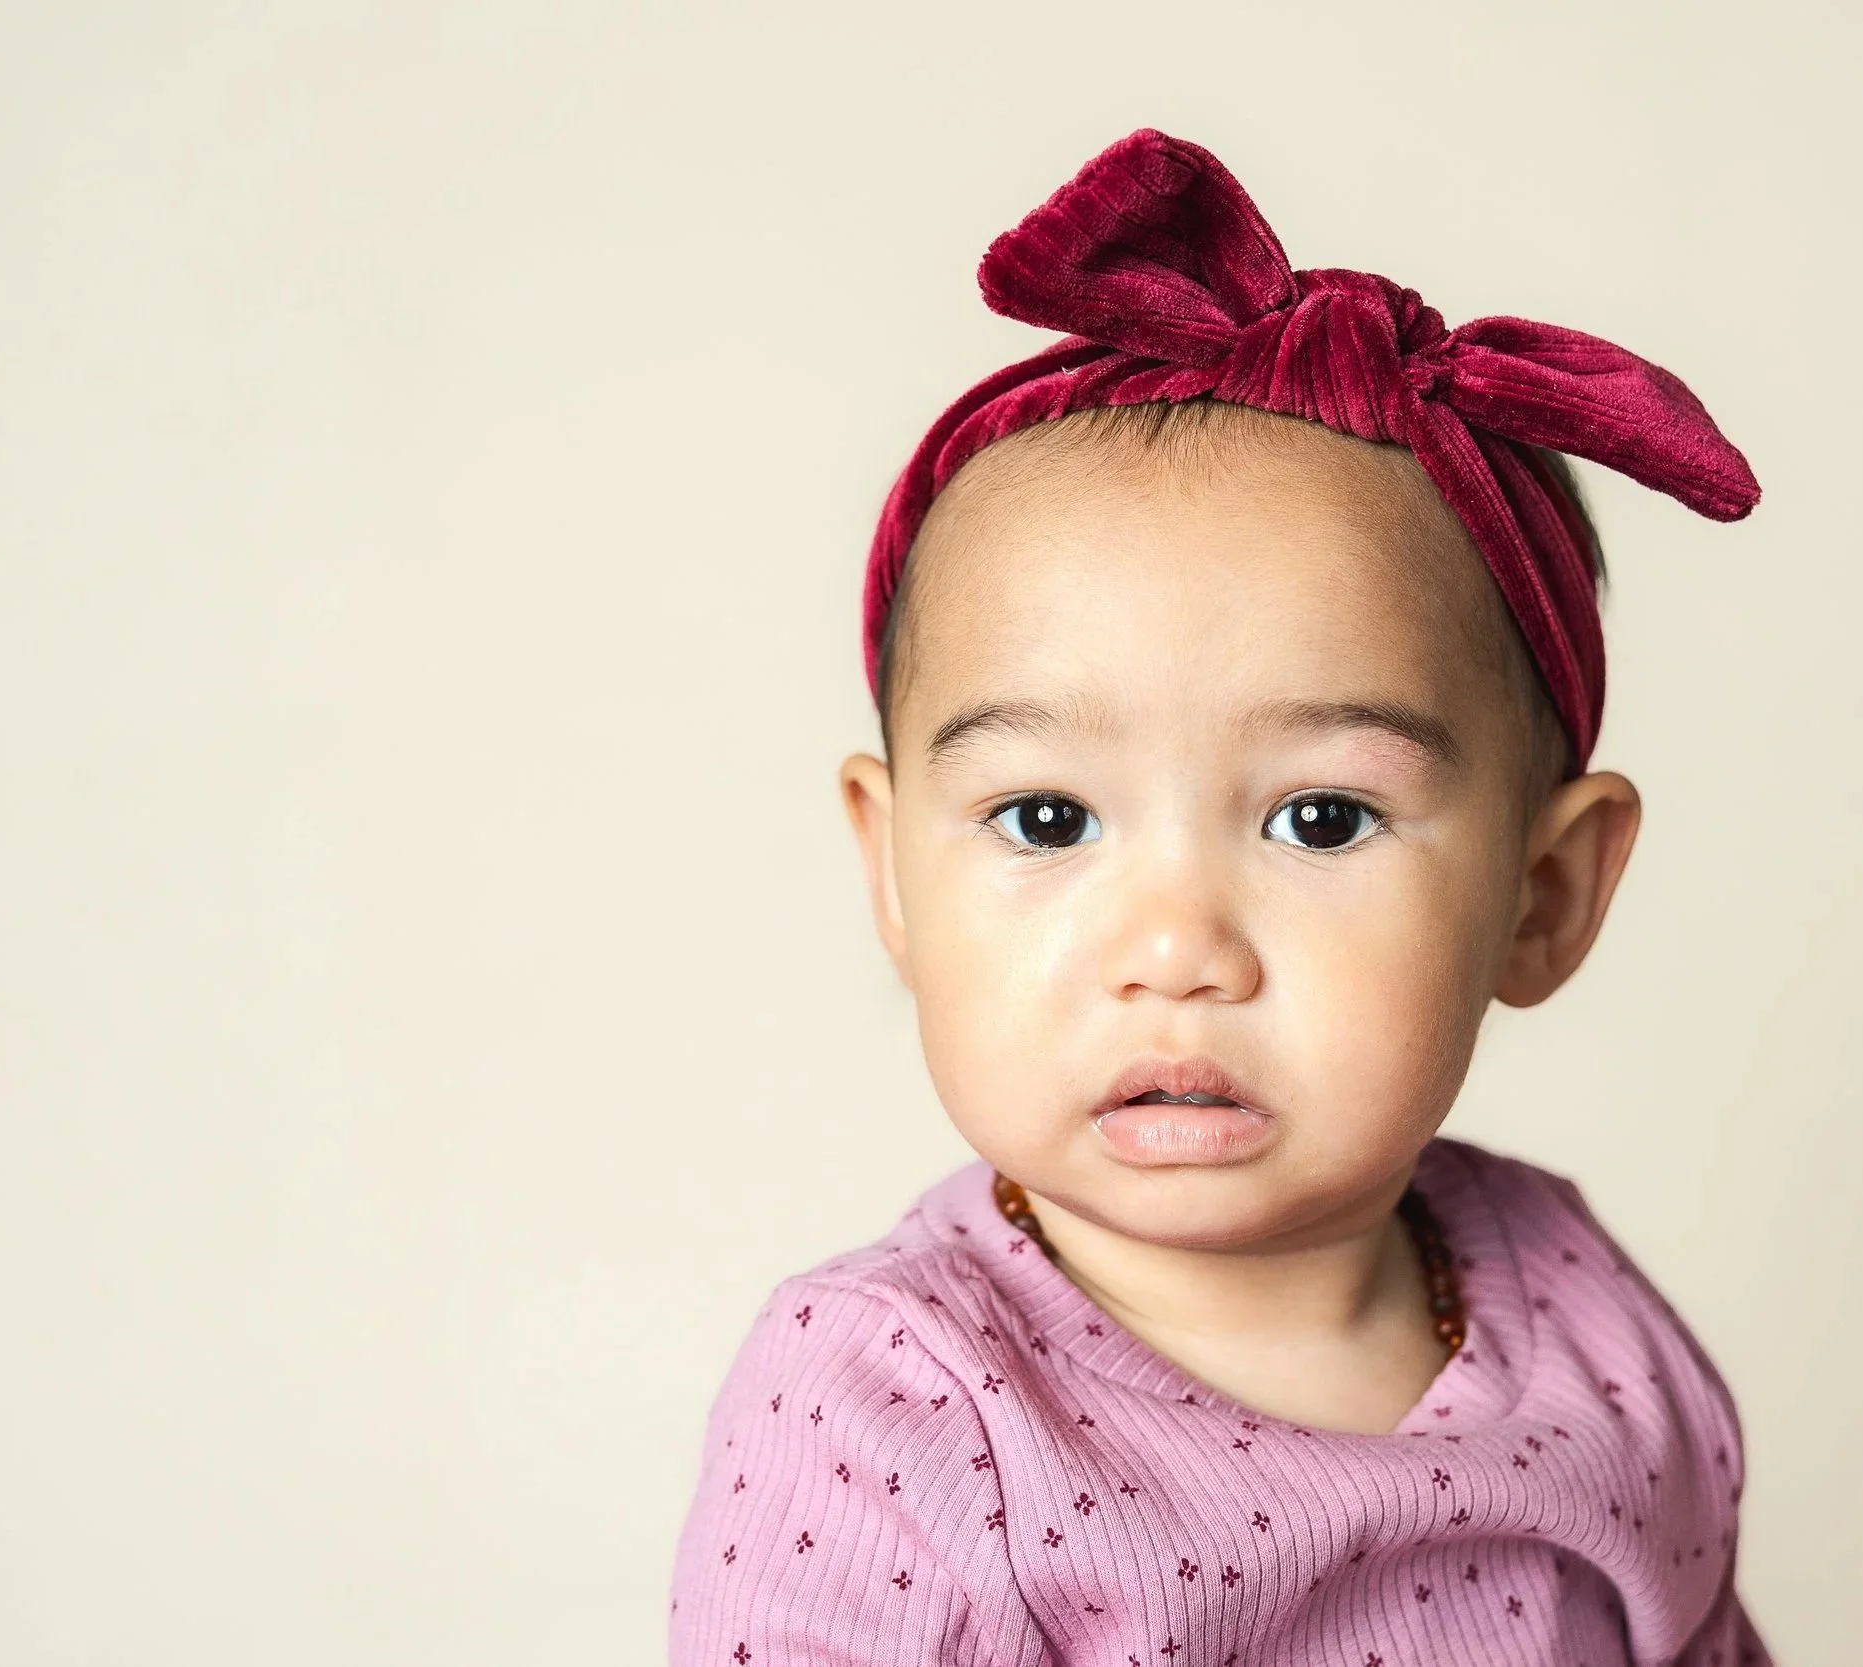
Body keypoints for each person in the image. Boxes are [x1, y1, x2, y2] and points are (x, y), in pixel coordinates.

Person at [668, 129, 1767, 1666]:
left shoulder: (1584, 1320)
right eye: (1046, 816)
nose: (1176, 948)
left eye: (1322, 819)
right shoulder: (891, 1404)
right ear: (893, 866)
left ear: (1543, 895)